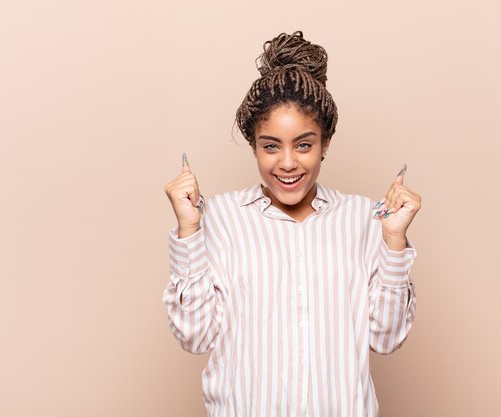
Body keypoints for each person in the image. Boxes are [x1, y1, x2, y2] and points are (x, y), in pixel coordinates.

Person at [162, 30, 422, 417]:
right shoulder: (219, 218)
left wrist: (395, 240)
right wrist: (188, 230)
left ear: (325, 143)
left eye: (304, 144)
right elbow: (195, 336)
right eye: (270, 146)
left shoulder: (365, 219)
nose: (287, 163)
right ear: (254, 145)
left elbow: (385, 338)